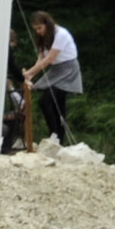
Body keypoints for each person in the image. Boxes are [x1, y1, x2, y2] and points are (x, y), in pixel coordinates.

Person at [21, 9, 82, 145]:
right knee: (55, 104)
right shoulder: (44, 38)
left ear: (47, 24)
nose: (38, 31)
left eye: (40, 28)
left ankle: (55, 135)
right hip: (56, 69)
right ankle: (57, 138)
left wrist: (30, 73)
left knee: (47, 100)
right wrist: (31, 75)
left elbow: (49, 59)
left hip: (68, 69)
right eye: (35, 29)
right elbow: (41, 58)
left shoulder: (61, 34)